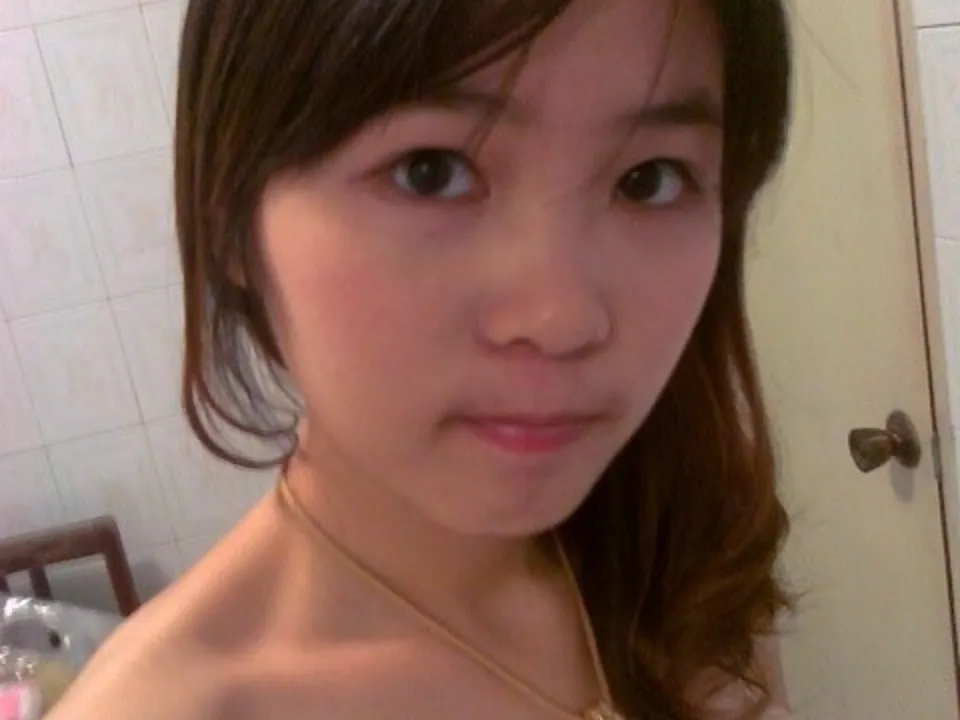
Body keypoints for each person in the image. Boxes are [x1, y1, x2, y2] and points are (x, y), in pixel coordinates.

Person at [49, 0, 794, 718]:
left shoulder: (686, 555)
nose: (561, 321)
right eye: (429, 171)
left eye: (650, 178)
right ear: (231, 224)